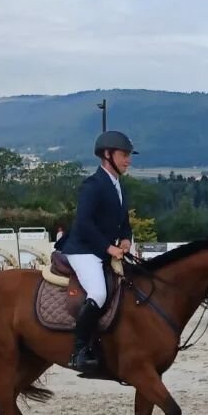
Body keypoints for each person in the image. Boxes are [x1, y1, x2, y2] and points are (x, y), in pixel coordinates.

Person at [56, 130, 135, 373]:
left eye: (129, 155)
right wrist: (108, 247)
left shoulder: (118, 185)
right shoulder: (93, 185)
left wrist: (124, 239)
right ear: (107, 155)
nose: (128, 160)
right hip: (83, 250)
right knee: (99, 293)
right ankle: (79, 350)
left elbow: (123, 221)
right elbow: (84, 224)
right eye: (124, 155)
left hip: (104, 250)